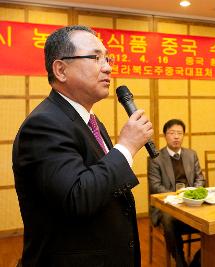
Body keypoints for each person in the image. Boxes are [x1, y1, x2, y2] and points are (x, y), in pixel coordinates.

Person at [12, 26, 152, 266]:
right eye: (95, 57)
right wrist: (126, 147)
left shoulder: (91, 121)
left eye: (107, 58)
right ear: (61, 70)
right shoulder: (43, 125)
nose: (108, 67)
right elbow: (77, 196)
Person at [148, 119, 204, 267]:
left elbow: (200, 179)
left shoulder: (191, 155)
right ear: (165, 135)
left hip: (191, 205)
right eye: (172, 133)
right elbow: (155, 186)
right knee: (168, 217)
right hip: (167, 206)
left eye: (180, 133)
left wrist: (192, 193)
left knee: (211, 220)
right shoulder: (156, 158)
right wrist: (178, 196)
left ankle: (198, 261)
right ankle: (180, 261)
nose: (176, 136)